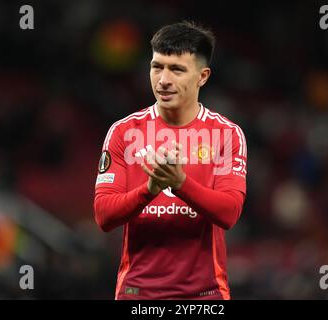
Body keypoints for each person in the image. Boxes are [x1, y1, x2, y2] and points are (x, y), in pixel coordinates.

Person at [94, 21, 247, 300]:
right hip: (137, 294)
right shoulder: (124, 132)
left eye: (177, 69)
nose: (163, 79)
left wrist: (179, 183)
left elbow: (230, 212)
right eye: (157, 67)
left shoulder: (226, 135)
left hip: (205, 296)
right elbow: (103, 216)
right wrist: (149, 190)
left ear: (202, 76)